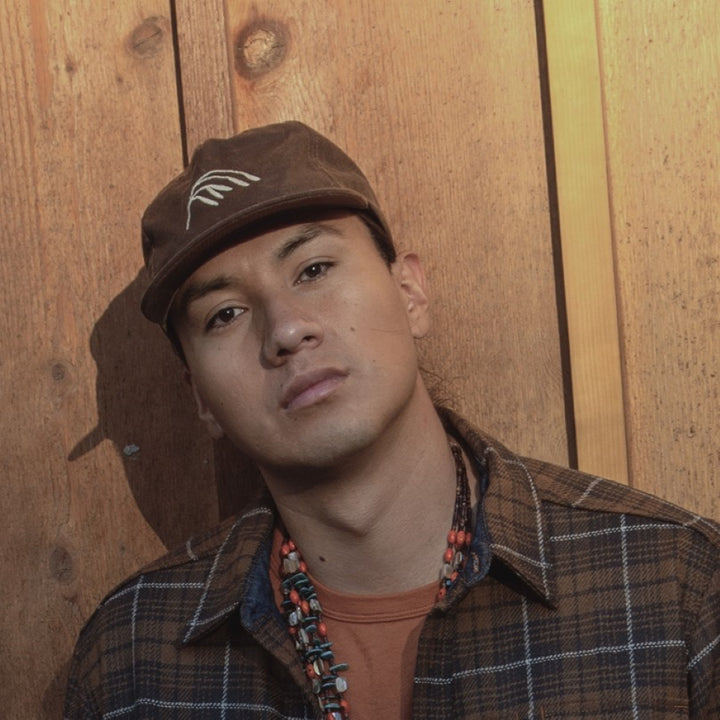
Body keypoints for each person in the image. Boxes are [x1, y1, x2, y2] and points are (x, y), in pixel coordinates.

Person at [65, 121, 719, 719]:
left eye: (314, 269)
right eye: (225, 315)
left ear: (409, 293)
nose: (286, 329)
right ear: (200, 398)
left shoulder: (675, 585)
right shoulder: (134, 655)